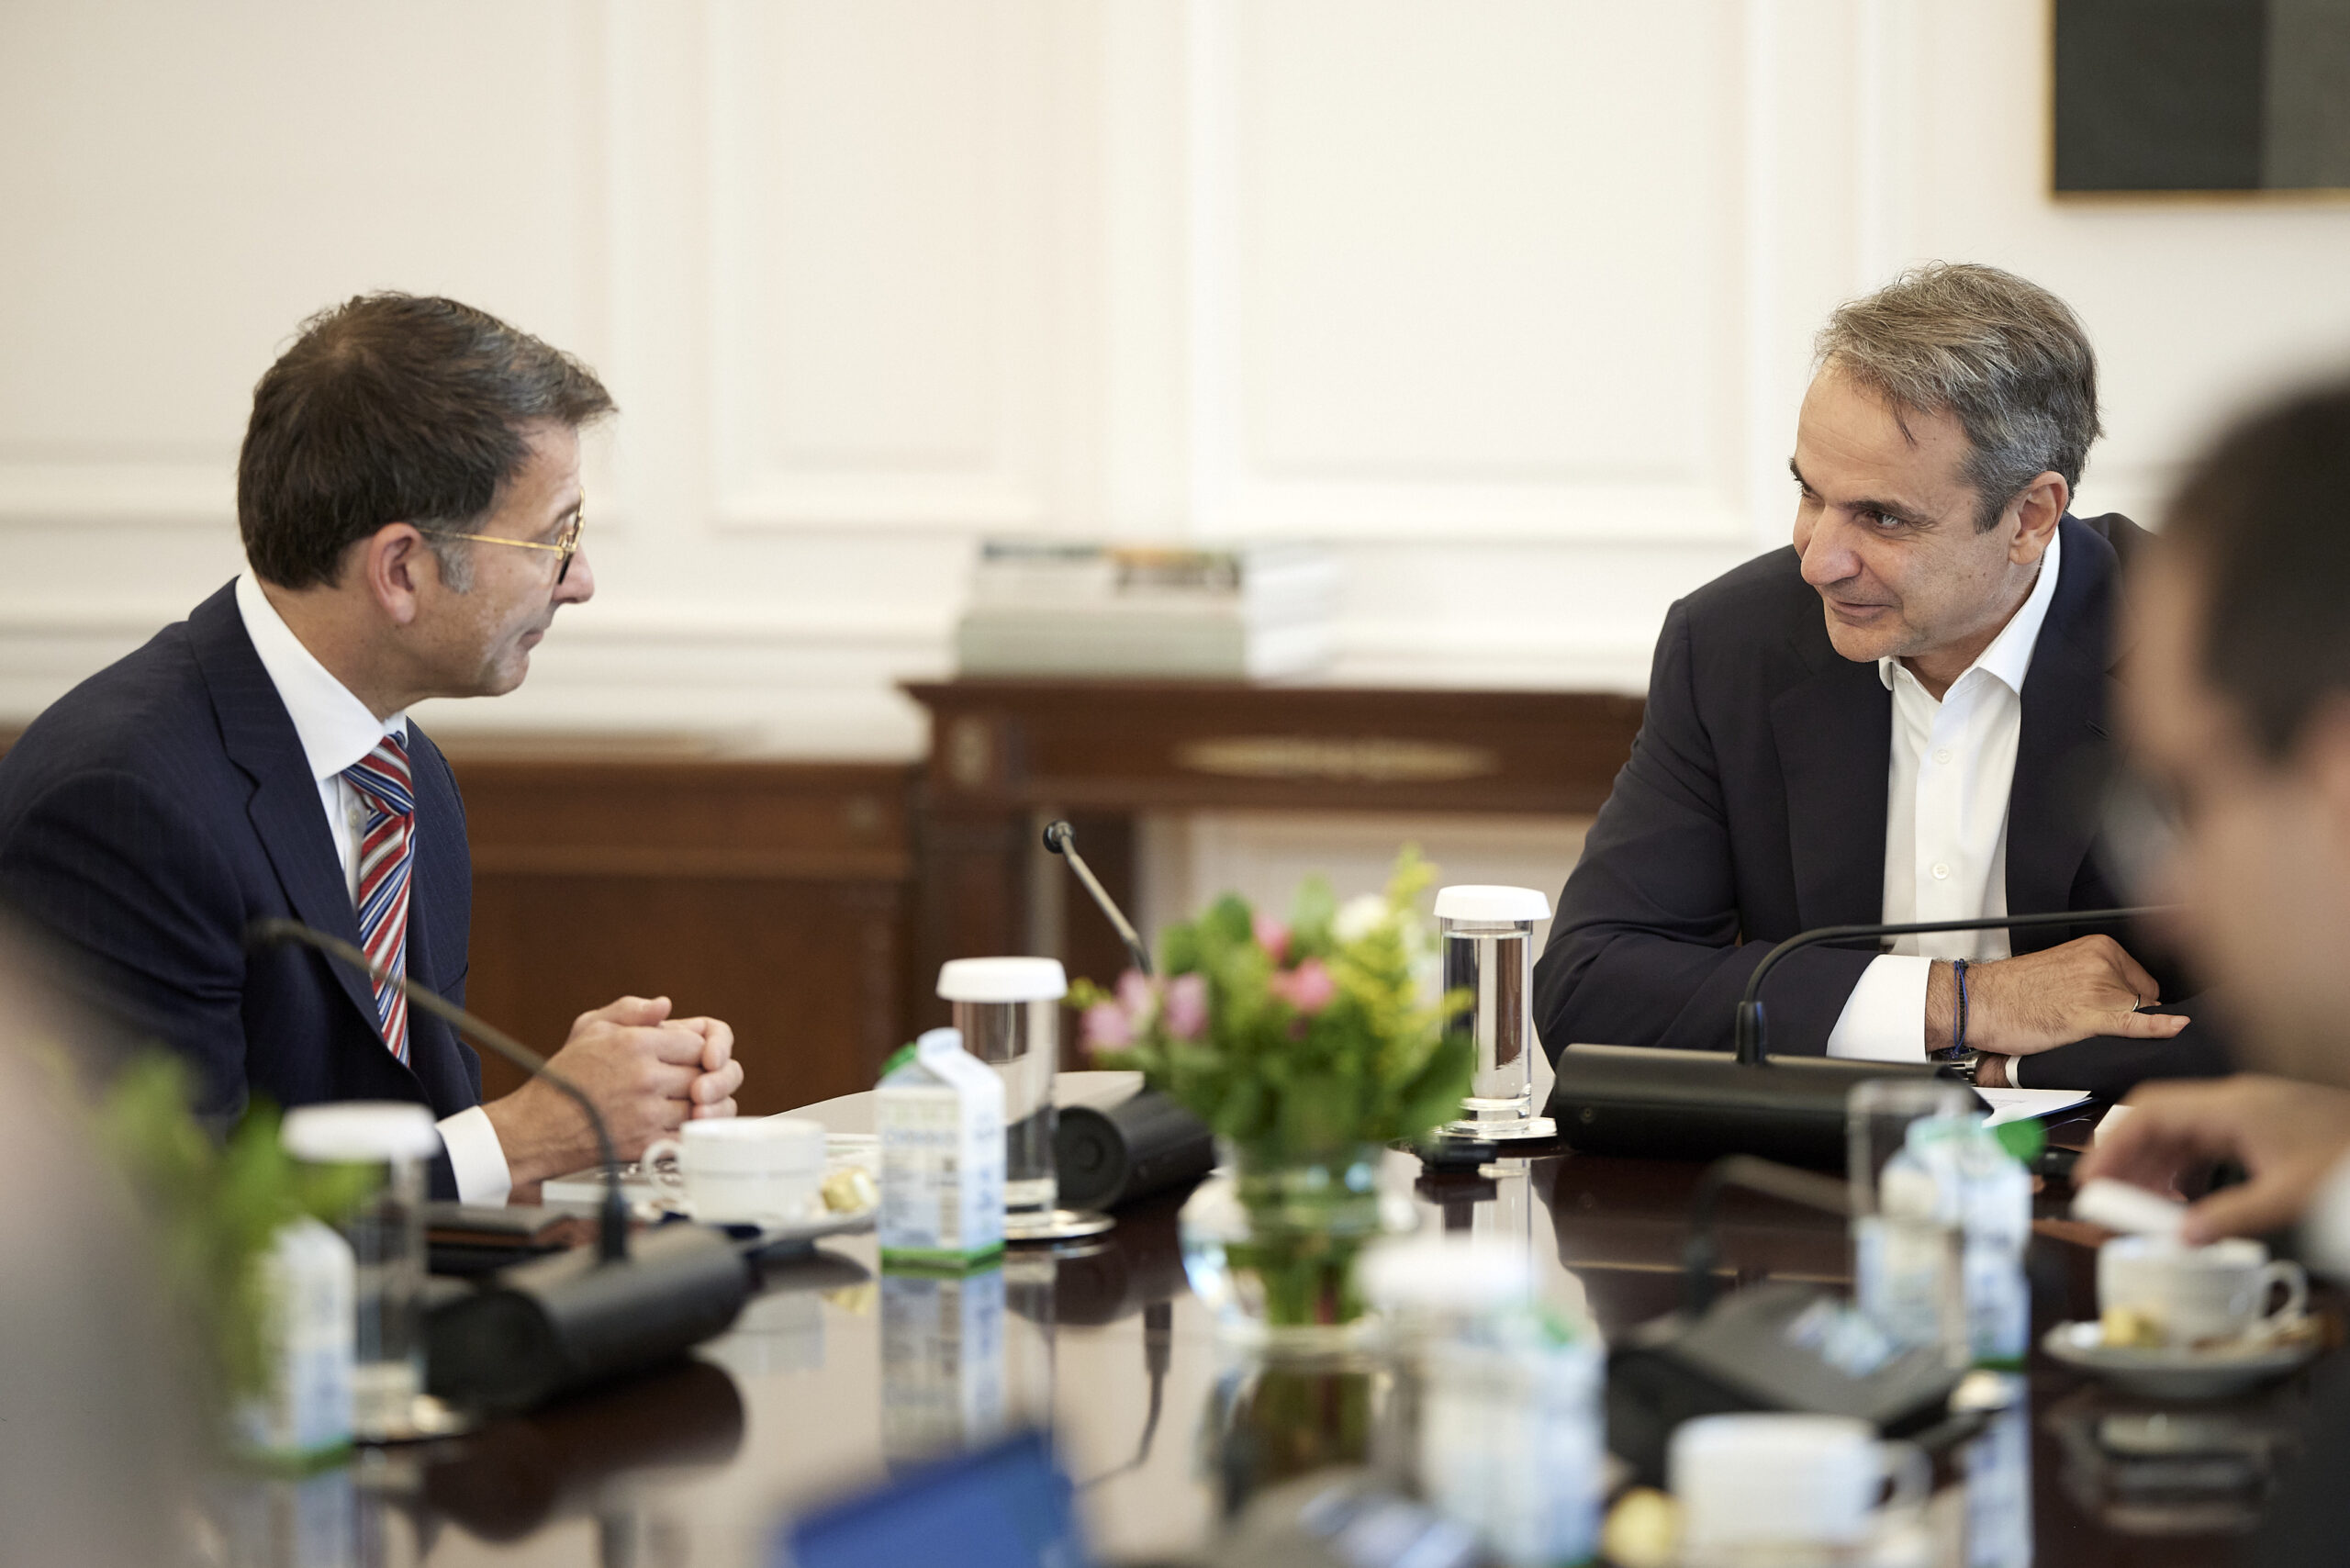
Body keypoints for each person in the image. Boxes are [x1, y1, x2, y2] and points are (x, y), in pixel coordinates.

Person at [0, 294, 744, 1202]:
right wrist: (527, 1135)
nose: (579, 580)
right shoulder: (121, 803)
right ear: (401, 571)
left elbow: (411, 1137)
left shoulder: (402, 769)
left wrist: (595, 1111)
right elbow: (172, 1227)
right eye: (554, 537)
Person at [1533, 262, 2222, 1095]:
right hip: (1813, 1163)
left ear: (2030, 517)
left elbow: (2306, 1009)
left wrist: (2009, 1072)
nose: (1818, 561)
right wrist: (1960, 1004)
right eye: (1810, 494)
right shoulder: (1731, 644)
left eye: (1883, 517)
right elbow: (1591, 988)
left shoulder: (2209, 648)